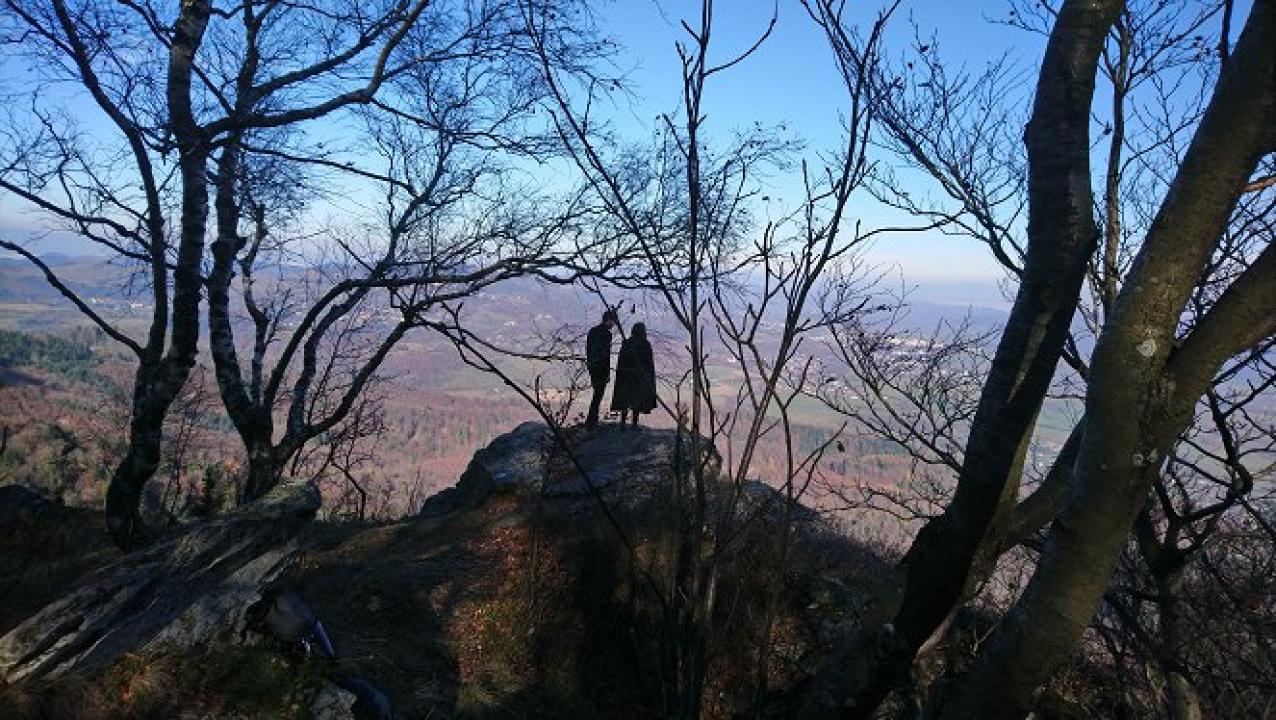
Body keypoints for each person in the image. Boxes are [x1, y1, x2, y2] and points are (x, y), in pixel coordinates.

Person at [611, 322, 657, 427]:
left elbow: (622, 361)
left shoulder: (628, 343)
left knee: (626, 399)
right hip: (638, 377)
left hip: (627, 376)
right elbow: (649, 364)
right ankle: (633, 424)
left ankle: (623, 422)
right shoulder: (645, 344)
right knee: (635, 400)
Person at [585, 308, 618, 428]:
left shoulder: (592, 331)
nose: (613, 325)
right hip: (601, 367)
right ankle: (592, 419)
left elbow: (588, 350)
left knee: (597, 393)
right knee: (598, 394)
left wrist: (590, 364)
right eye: (613, 322)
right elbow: (606, 355)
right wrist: (607, 371)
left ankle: (592, 418)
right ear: (608, 320)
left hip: (592, 366)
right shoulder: (606, 334)